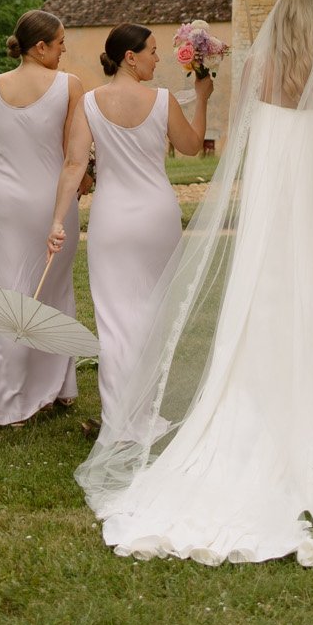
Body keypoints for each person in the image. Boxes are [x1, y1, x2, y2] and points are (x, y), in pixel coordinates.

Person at [74, 0, 313, 568]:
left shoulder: (257, 67)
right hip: (304, 205)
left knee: (259, 301)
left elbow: (236, 142)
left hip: (264, 208)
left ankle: (252, 408)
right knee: (312, 302)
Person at [48, 25, 212, 433]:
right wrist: (204, 100)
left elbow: (73, 165)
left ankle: (120, 419)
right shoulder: (162, 100)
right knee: (152, 315)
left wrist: (56, 220)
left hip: (113, 221)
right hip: (158, 217)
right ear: (130, 57)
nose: (159, 58)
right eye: (153, 51)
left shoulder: (88, 102)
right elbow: (192, 146)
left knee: (115, 319)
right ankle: (143, 414)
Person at [0, 10, 89, 427]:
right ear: (40, 47)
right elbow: (74, 154)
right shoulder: (70, 86)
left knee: (1, 290)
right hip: (50, 201)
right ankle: (47, 389)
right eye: (61, 43)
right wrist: (89, 179)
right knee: (48, 287)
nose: (65, 49)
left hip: (3, 202)